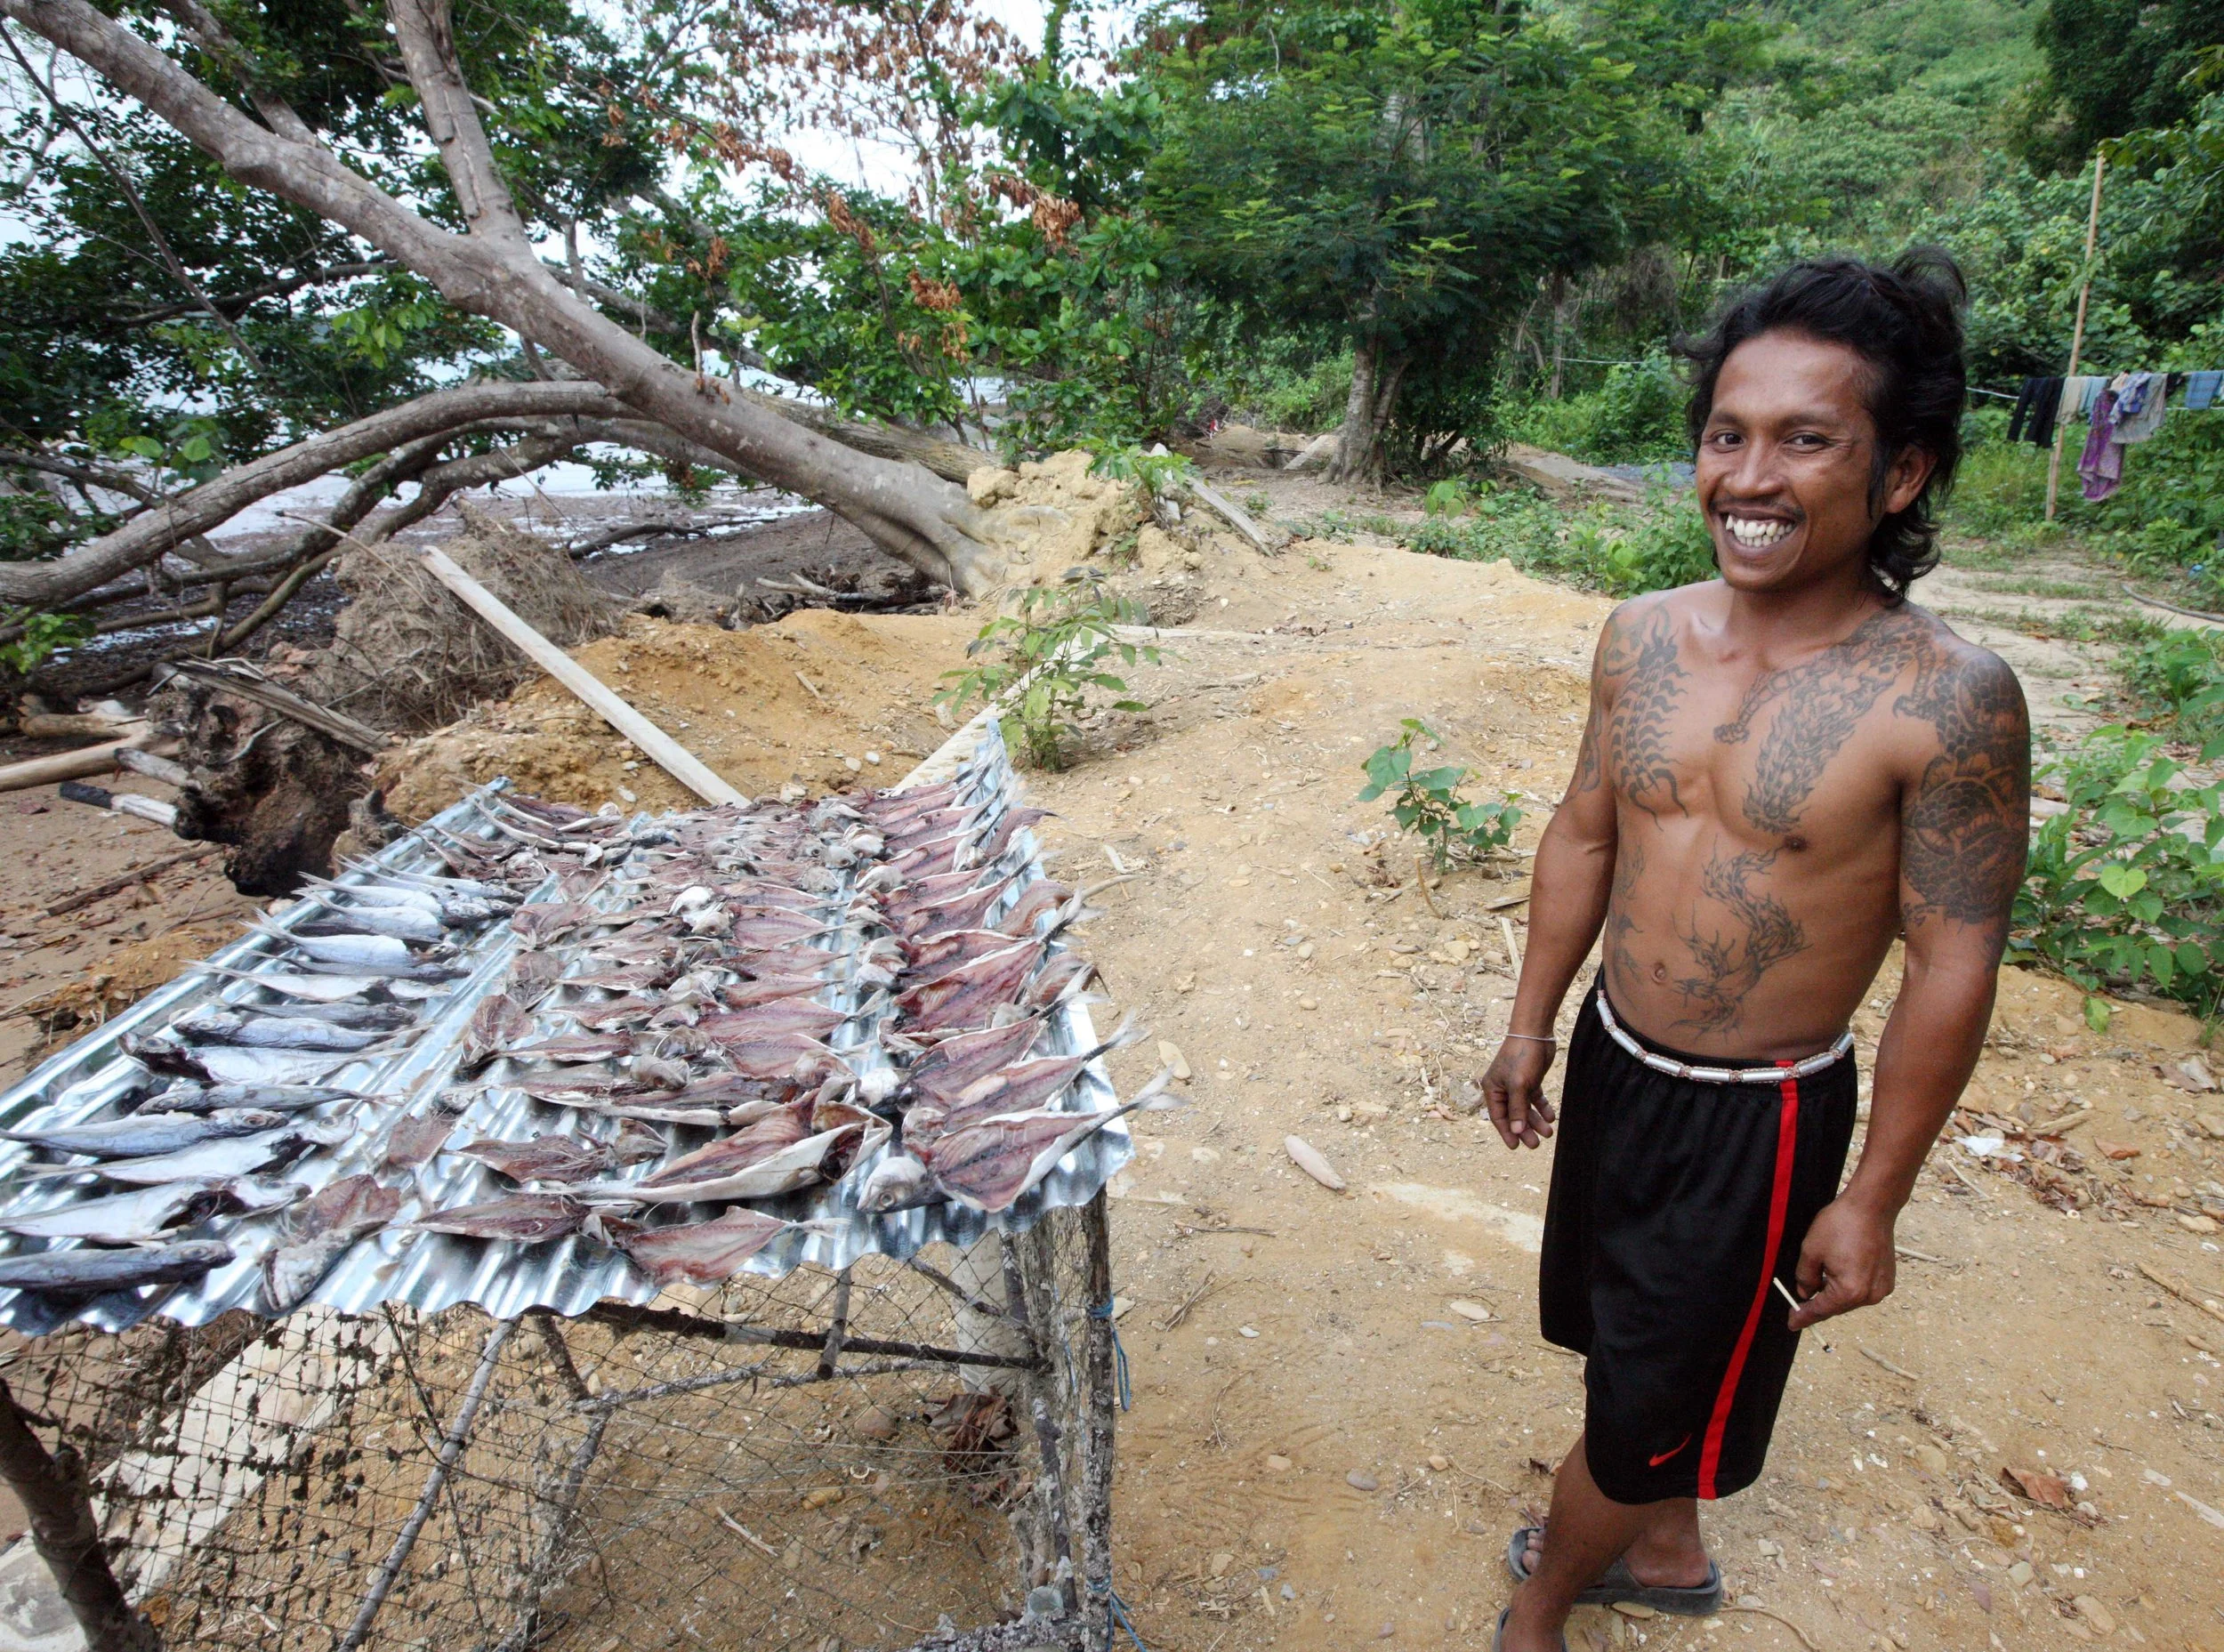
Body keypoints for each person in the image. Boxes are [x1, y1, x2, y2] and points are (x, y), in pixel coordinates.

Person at [1479, 251, 2030, 1652]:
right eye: (1729, 435)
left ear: (1898, 476)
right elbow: (1586, 834)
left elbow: (1952, 961)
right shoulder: (1642, 637)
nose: (1751, 475)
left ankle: (1546, 1603)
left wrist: (1876, 1197)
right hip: (1616, 1055)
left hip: (1762, 1117)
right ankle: (1664, 1550)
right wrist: (1534, 1019)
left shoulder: (1948, 699)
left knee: (1648, 1402)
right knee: (1619, 1335)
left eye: (1806, 440)